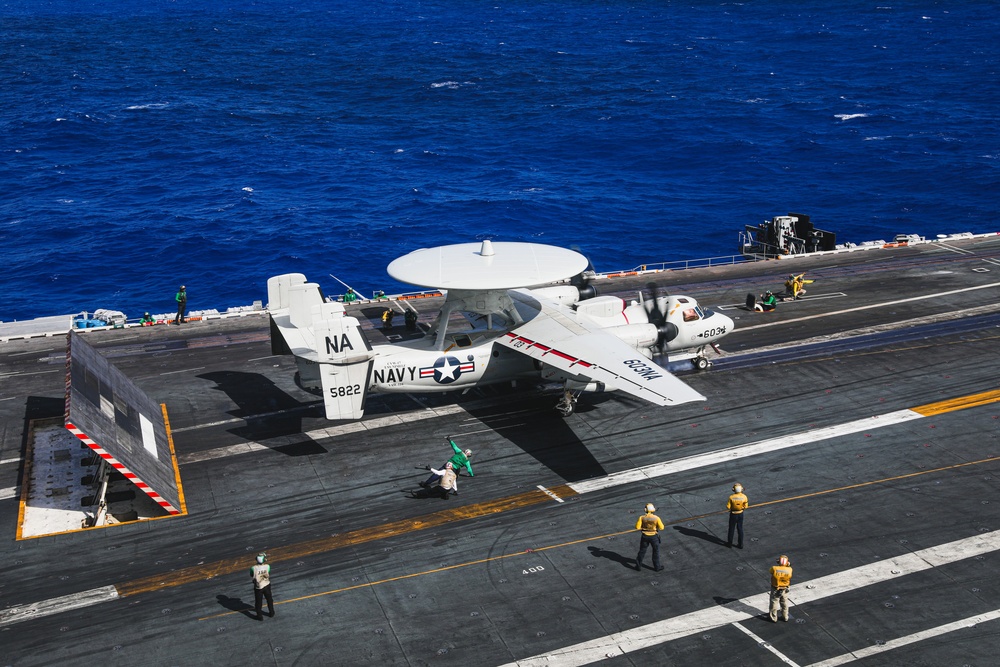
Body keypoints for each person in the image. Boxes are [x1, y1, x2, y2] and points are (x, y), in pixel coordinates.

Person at [634, 503, 665, 572]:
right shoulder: (656, 518)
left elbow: (637, 527)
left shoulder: (642, 517)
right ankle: (657, 567)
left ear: (645, 510)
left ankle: (638, 566)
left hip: (645, 536)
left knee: (642, 551)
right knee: (655, 551)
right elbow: (662, 527)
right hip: (654, 536)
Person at [769, 554, 793, 622]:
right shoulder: (790, 569)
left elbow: (770, 571)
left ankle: (773, 618)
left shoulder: (774, 568)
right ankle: (785, 616)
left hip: (775, 588)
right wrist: (787, 565)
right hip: (785, 589)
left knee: (774, 603)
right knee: (784, 603)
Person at [250, 552, 274, 620]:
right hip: (266, 585)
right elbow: (268, 572)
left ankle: (259, 616)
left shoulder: (253, 568)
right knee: (269, 600)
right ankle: (271, 612)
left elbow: (251, 575)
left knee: (258, 602)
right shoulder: (267, 566)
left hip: (258, 587)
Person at [726, 483, 749, 549]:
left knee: (731, 529)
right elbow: (746, 506)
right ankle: (740, 544)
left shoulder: (731, 497)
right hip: (740, 514)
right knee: (740, 529)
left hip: (733, 514)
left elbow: (728, 506)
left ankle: (729, 543)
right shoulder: (744, 497)